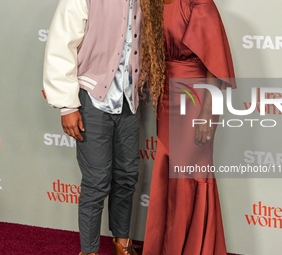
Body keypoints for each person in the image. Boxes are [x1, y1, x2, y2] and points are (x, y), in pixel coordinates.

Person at [43, 0, 142, 254]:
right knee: (97, 181)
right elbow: (61, 45)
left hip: (129, 100)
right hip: (91, 98)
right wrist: (67, 106)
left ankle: (122, 244)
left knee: (127, 175)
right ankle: (88, 251)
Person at [139, 0, 236, 254]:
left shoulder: (199, 3)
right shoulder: (153, 3)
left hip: (196, 97)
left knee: (189, 174)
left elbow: (214, 62)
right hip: (167, 96)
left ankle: (194, 247)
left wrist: (208, 114)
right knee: (167, 169)